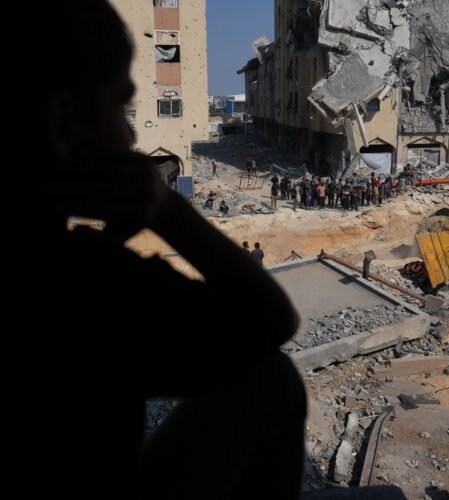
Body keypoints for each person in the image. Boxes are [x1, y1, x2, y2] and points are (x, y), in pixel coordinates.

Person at [3, 2, 306, 499]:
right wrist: (167, 212)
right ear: (63, 121)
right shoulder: (78, 279)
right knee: (274, 381)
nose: (129, 134)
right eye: (120, 110)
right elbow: (271, 320)